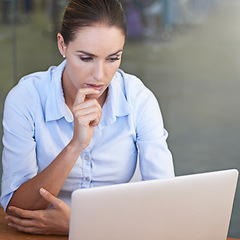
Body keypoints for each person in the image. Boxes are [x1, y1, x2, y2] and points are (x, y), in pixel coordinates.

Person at [0, 0, 174, 235]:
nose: (100, 76)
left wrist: (80, 226)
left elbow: (166, 205)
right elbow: (16, 208)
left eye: (113, 58)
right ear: (62, 45)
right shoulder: (26, 98)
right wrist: (76, 146)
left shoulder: (139, 100)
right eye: (86, 58)